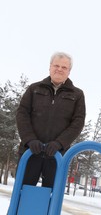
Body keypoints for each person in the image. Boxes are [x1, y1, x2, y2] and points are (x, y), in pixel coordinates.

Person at [16, 52, 86, 188]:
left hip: (57, 156)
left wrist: (59, 144)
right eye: (56, 65)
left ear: (69, 71)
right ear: (50, 67)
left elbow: (78, 122)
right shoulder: (34, 89)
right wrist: (30, 140)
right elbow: (22, 114)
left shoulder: (77, 95)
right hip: (30, 152)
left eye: (64, 67)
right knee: (21, 195)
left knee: (51, 199)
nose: (59, 69)